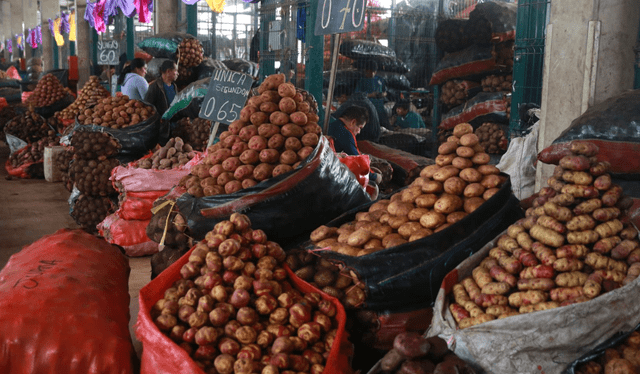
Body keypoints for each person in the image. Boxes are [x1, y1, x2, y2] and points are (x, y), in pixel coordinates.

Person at [328, 105, 382, 186]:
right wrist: (374, 176)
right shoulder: (345, 133)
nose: (359, 132)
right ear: (353, 122)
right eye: (360, 127)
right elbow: (358, 161)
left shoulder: (333, 124)